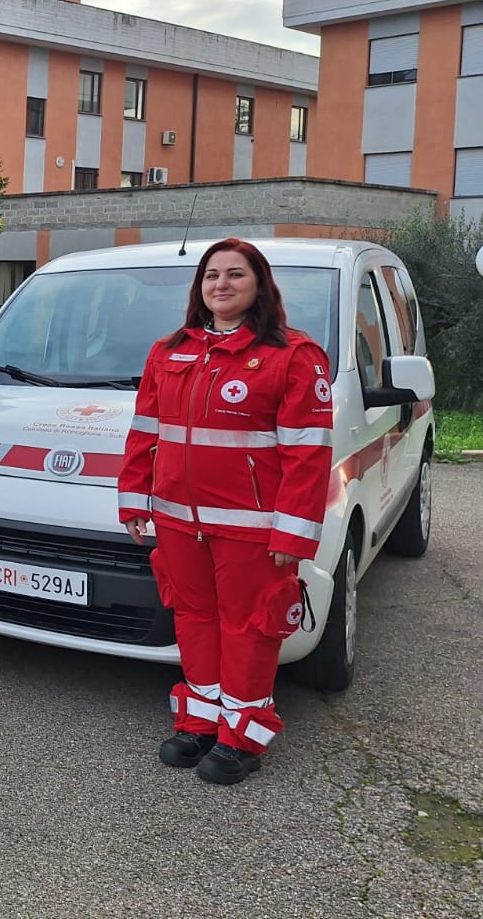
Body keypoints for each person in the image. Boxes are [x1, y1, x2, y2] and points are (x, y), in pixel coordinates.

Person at [119, 237, 333, 785]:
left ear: (259, 284)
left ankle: (242, 737)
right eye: (212, 275)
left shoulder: (291, 355)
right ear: (200, 288)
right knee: (193, 618)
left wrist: (294, 532)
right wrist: (133, 497)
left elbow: (308, 453)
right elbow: (144, 431)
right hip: (175, 519)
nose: (221, 284)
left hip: (251, 527)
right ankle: (201, 722)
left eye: (235, 274)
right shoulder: (169, 350)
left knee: (250, 627)